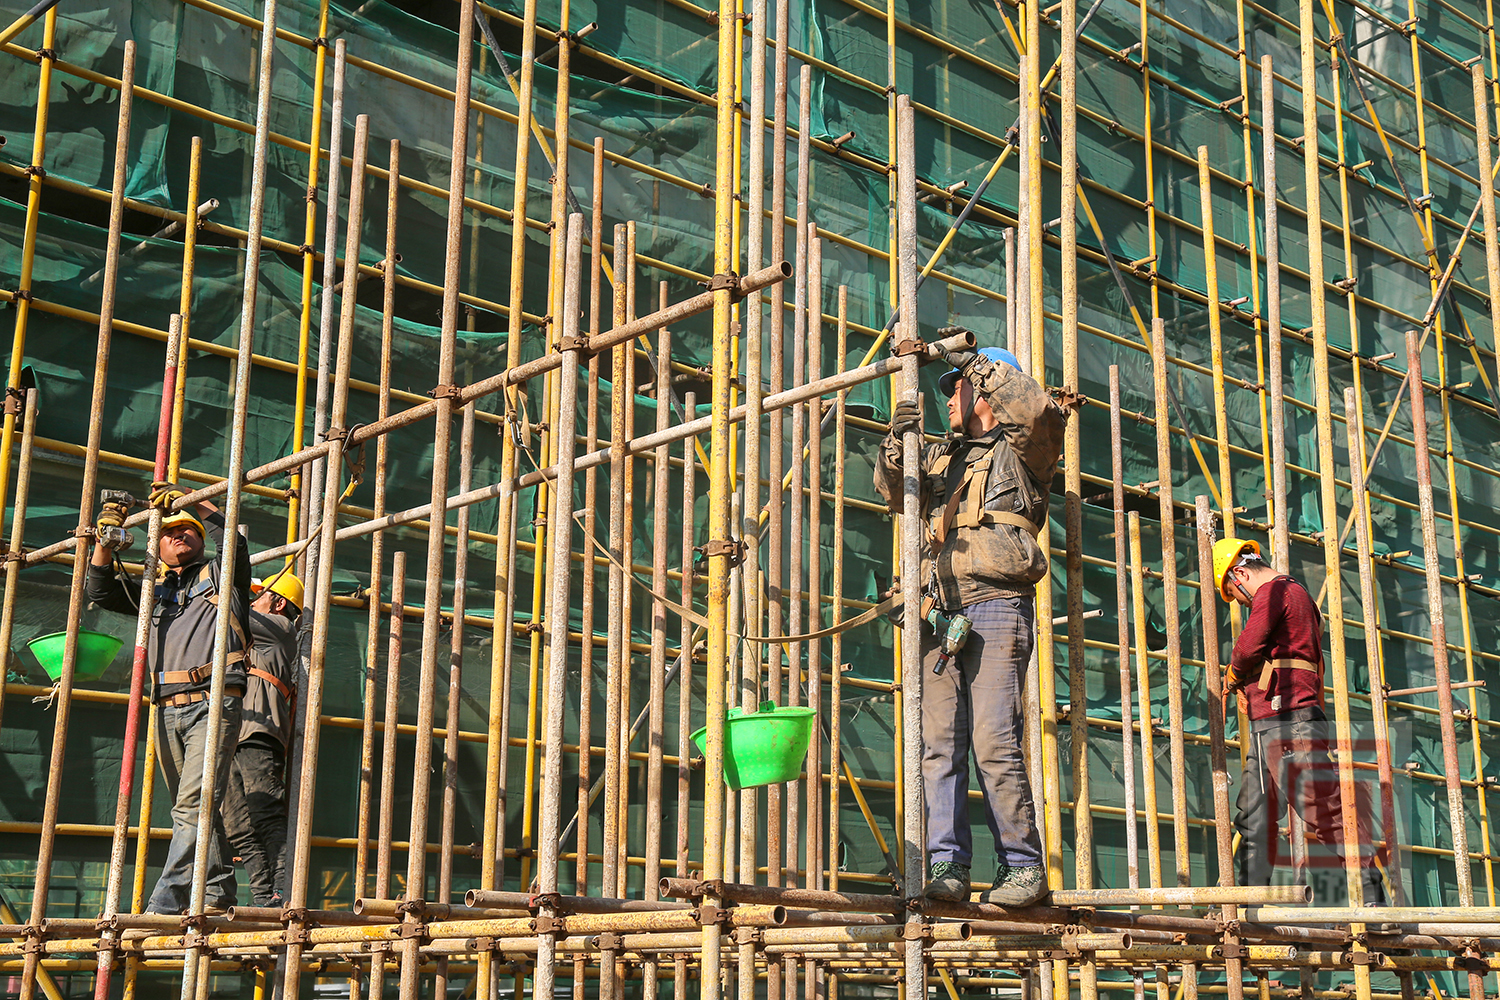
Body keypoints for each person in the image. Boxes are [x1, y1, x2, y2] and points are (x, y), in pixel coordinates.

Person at [874, 341, 1065, 905]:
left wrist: (977, 363)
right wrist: (896, 444)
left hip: (994, 605)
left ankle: (1024, 868)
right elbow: (895, 494)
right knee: (939, 746)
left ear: (983, 390)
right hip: (938, 613)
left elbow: (1036, 413)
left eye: (952, 387)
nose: (946, 399)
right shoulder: (941, 458)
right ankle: (948, 866)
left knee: (993, 742)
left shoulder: (1023, 453)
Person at [87, 484, 250, 914]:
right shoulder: (151, 592)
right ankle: (216, 891)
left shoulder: (221, 574)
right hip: (167, 709)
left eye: (187, 530)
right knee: (199, 810)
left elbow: (231, 536)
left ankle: (166, 902)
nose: (178, 535)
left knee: (191, 806)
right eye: (168, 531)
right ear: (156, 547)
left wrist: (193, 500)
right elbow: (100, 591)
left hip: (213, 700)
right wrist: (105, 541)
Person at [1214, 538, 1386, 905]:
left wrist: (1232, 676)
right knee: (1254, 816)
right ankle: (1245, 903)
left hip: (1290, 719)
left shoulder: (1277, 592)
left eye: (1236, 593)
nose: (1242, 602)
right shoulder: (1288, 597)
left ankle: (1373, 901)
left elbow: (1247, 647)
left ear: (1240, 573)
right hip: (1271, 723)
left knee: (1322, 811)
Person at [223, 571, 302, 908]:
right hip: (229, 737)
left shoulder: (280, 630)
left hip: (258, 734)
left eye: (260, 596)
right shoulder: (247, 637)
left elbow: (232, 610)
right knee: (238, 824)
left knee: (265, 812)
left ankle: (283, 890)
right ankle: (262, 895)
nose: (253, 601)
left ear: (279, 602)